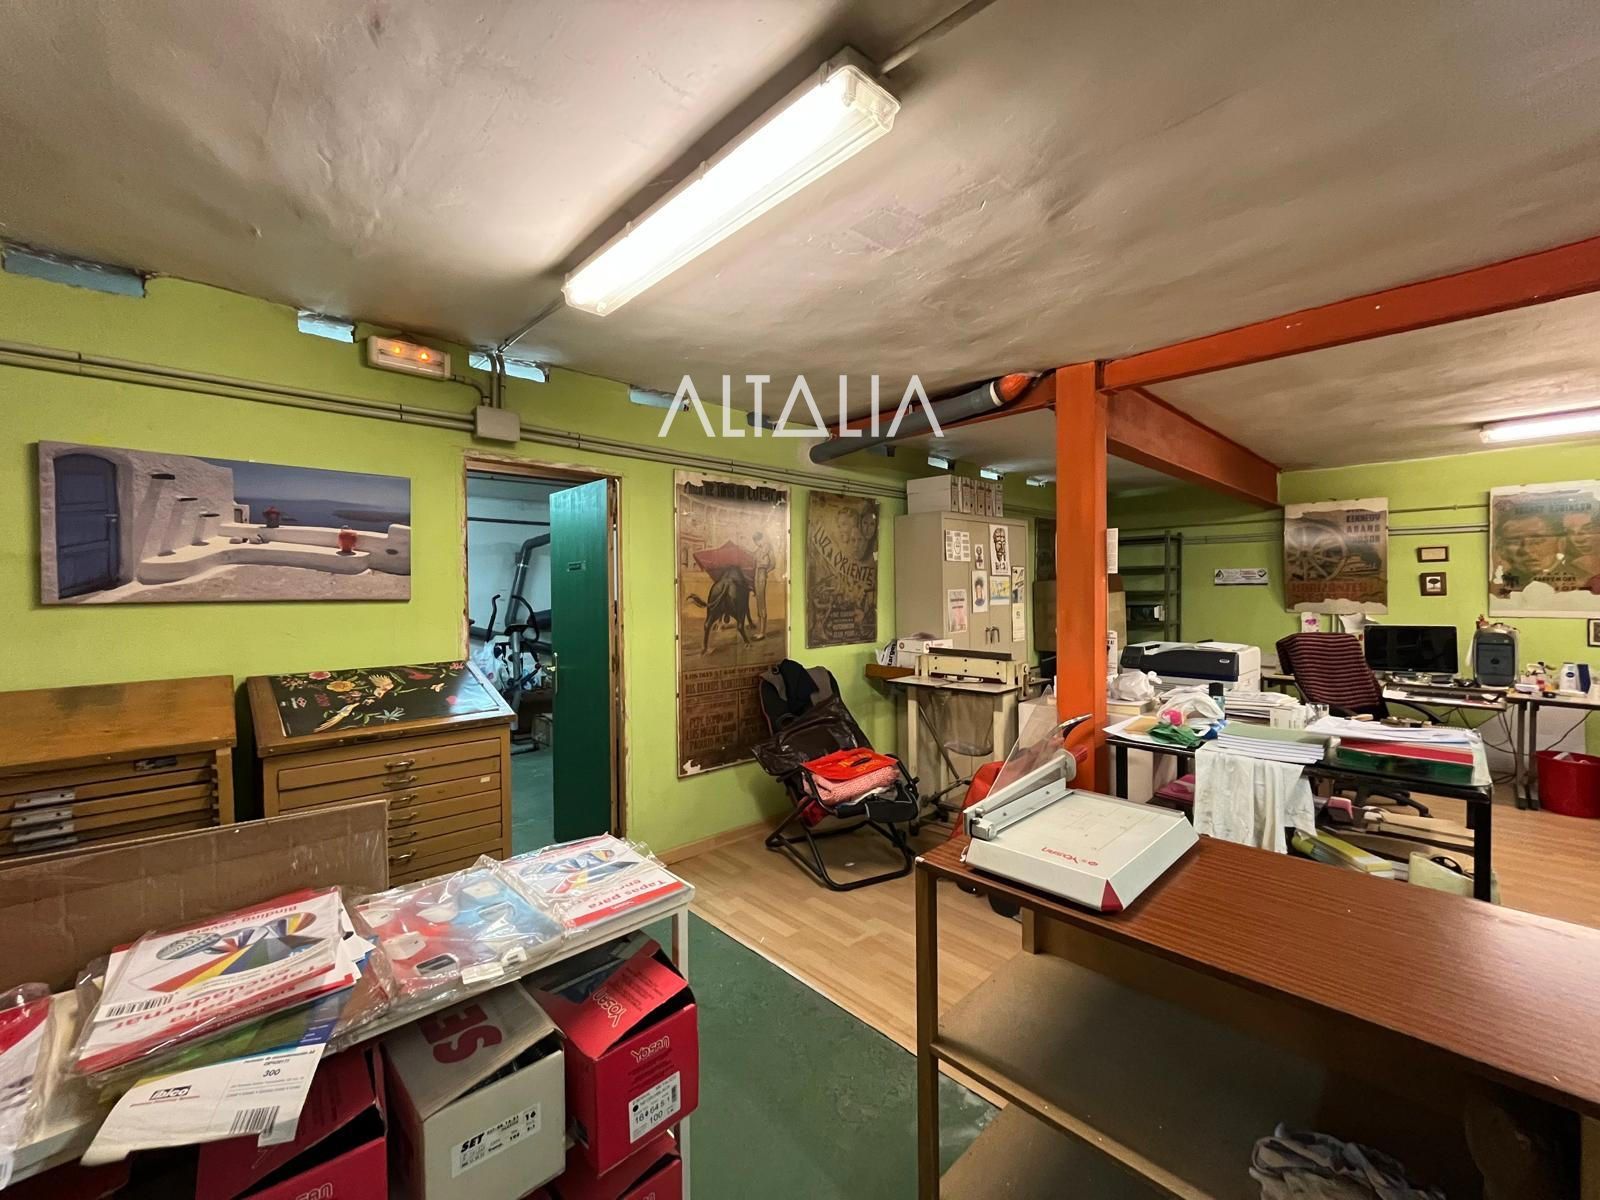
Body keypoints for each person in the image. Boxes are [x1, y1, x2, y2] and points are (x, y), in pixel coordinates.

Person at [752, 530, 775, 638]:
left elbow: (773, 564)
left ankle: (762, 632)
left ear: (760, 539)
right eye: (755, 541)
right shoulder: (757, 550)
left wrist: (766, 572)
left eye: (757, 540)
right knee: (758, 602)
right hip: (756, 574)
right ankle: (760, 631)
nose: (756, 543)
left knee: (761, 602)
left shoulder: (768, 547)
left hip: (761, 574)